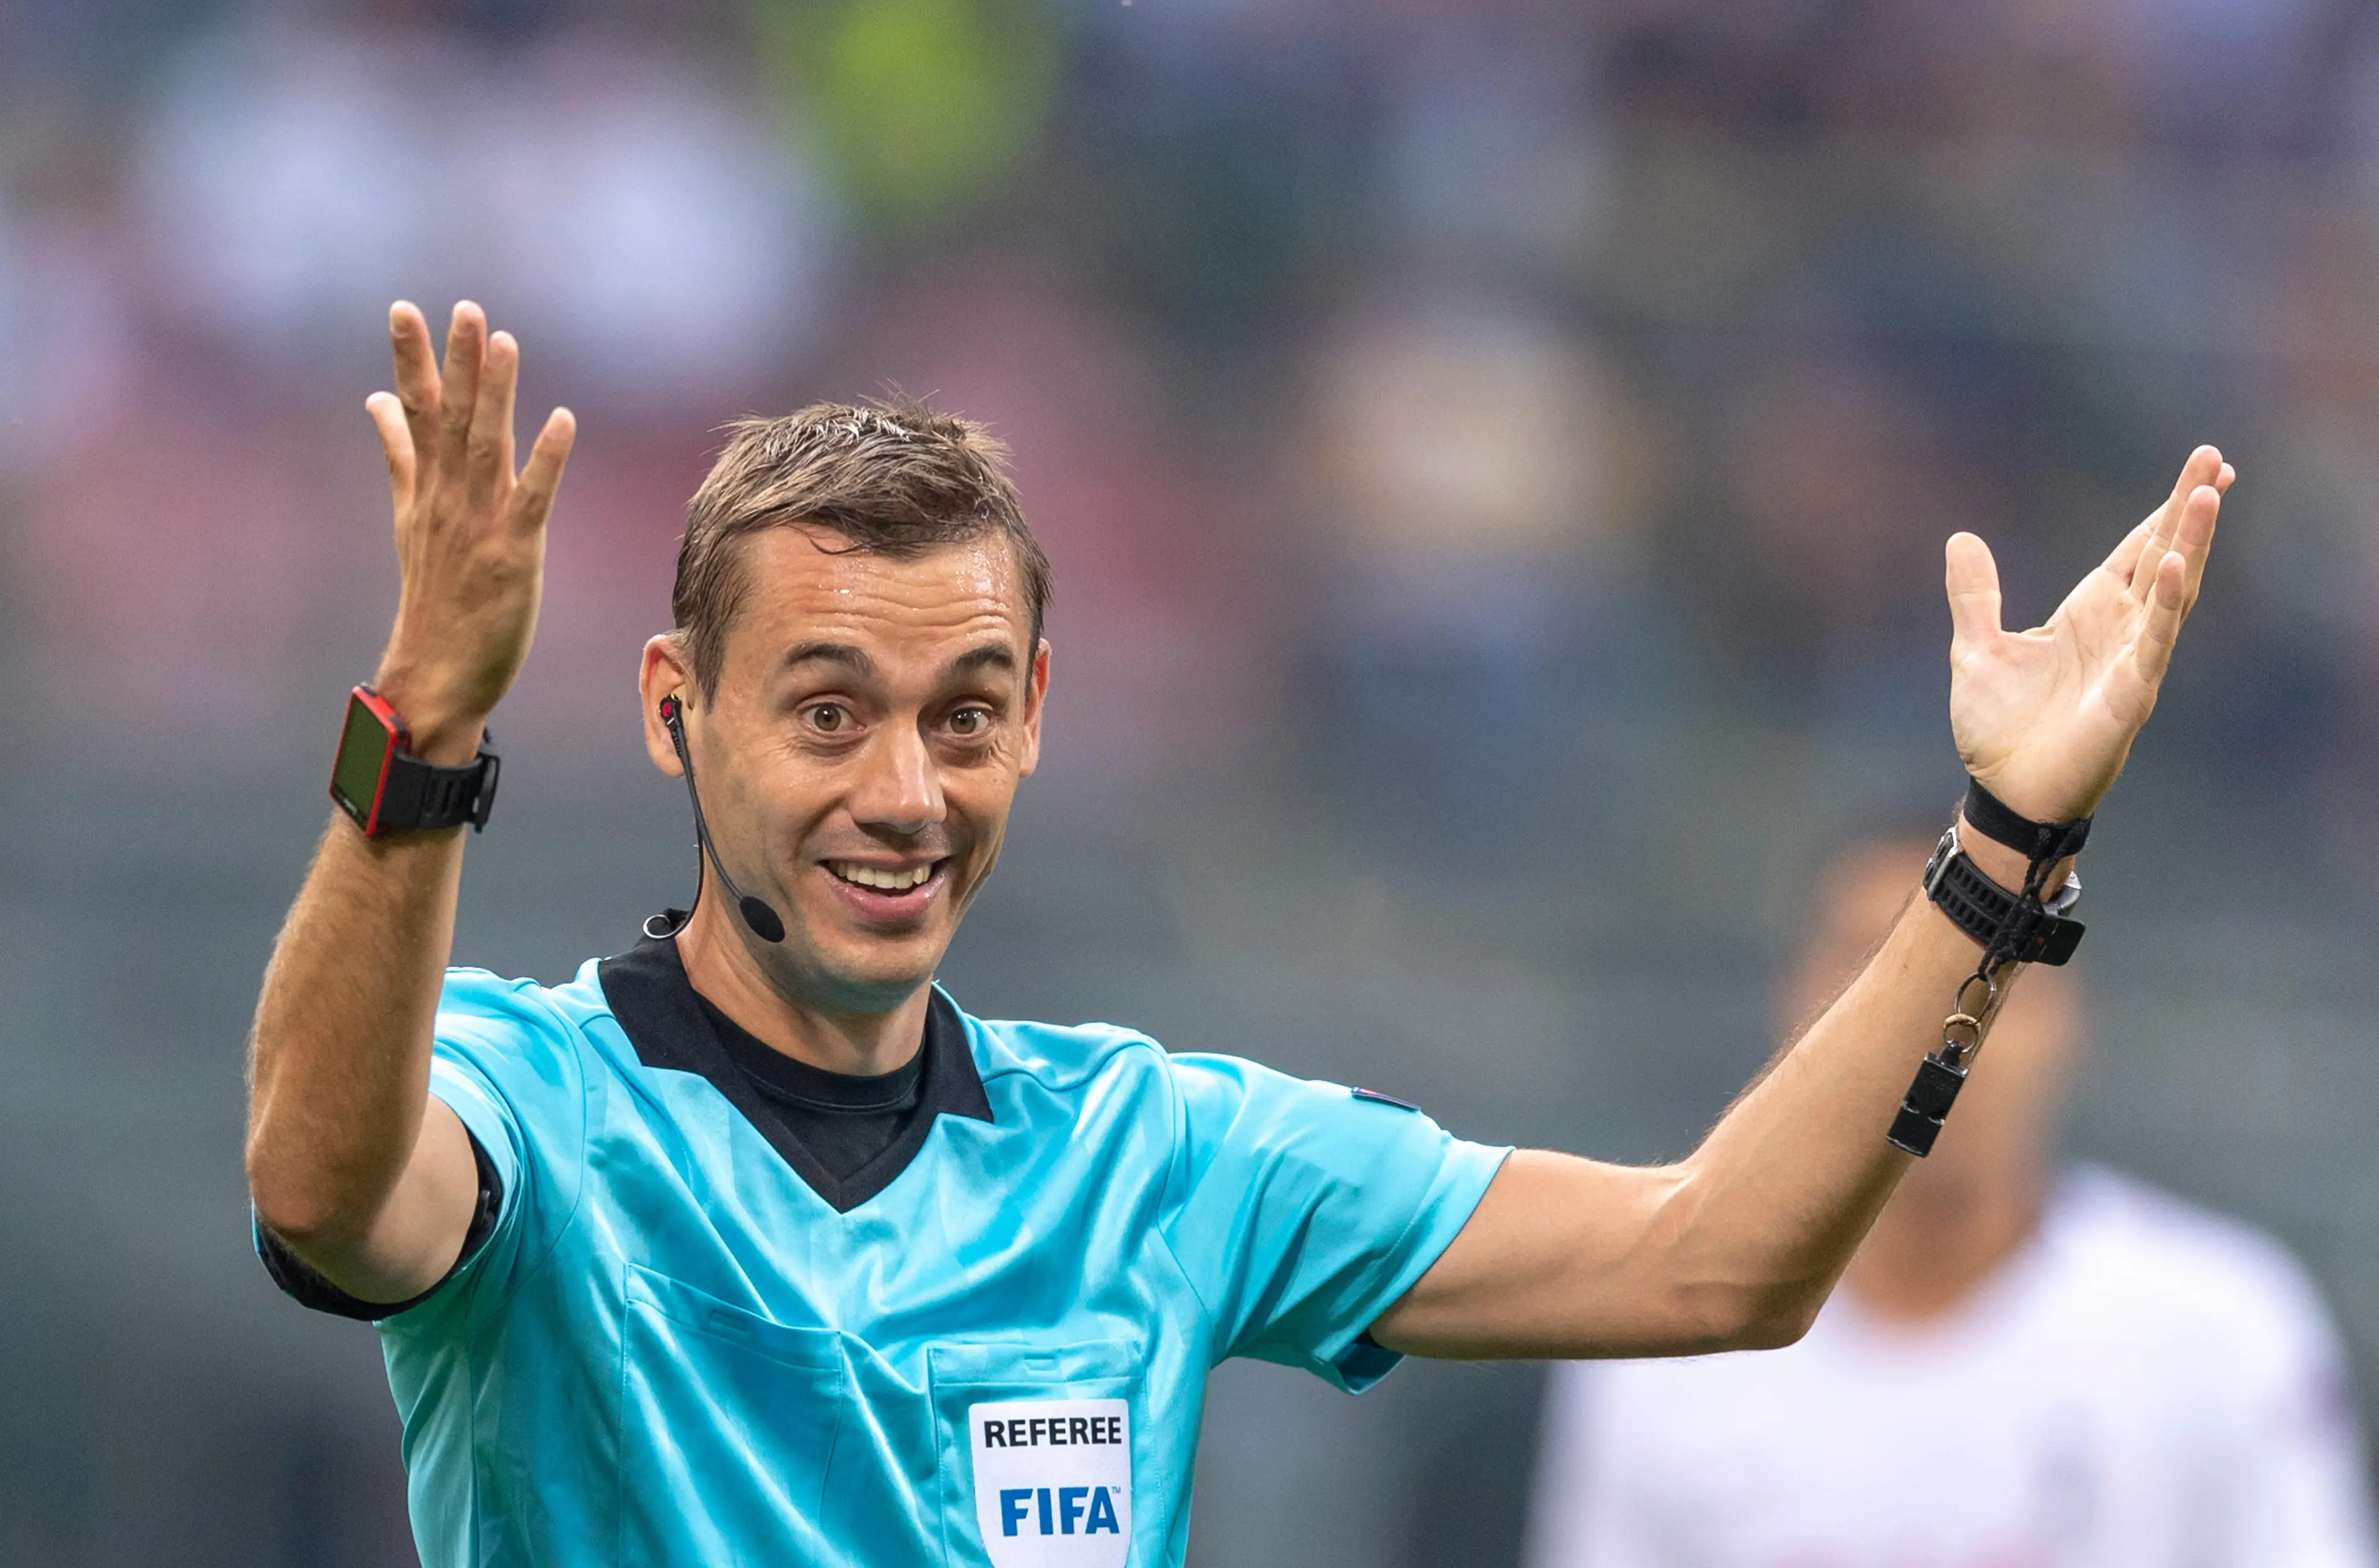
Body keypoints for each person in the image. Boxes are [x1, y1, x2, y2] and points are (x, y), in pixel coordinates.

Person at [243, 300, 2232, 1567]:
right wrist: (420, 728)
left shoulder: (1159, 1159)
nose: (906, 794)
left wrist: (2007, 839)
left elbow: (1708, 1263)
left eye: (966, 717)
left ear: (1037, 714)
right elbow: (326, 1185)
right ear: (681, 711)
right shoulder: (539, 1102)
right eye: (827, 711)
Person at [1525, 837, 2379, 1568]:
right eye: (1879, 969)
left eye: (1998, 973)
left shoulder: (2220, 1329)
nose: (1941, 1023)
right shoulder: (1657, 1337)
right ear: (1792, 1005)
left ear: (2072, 1017)